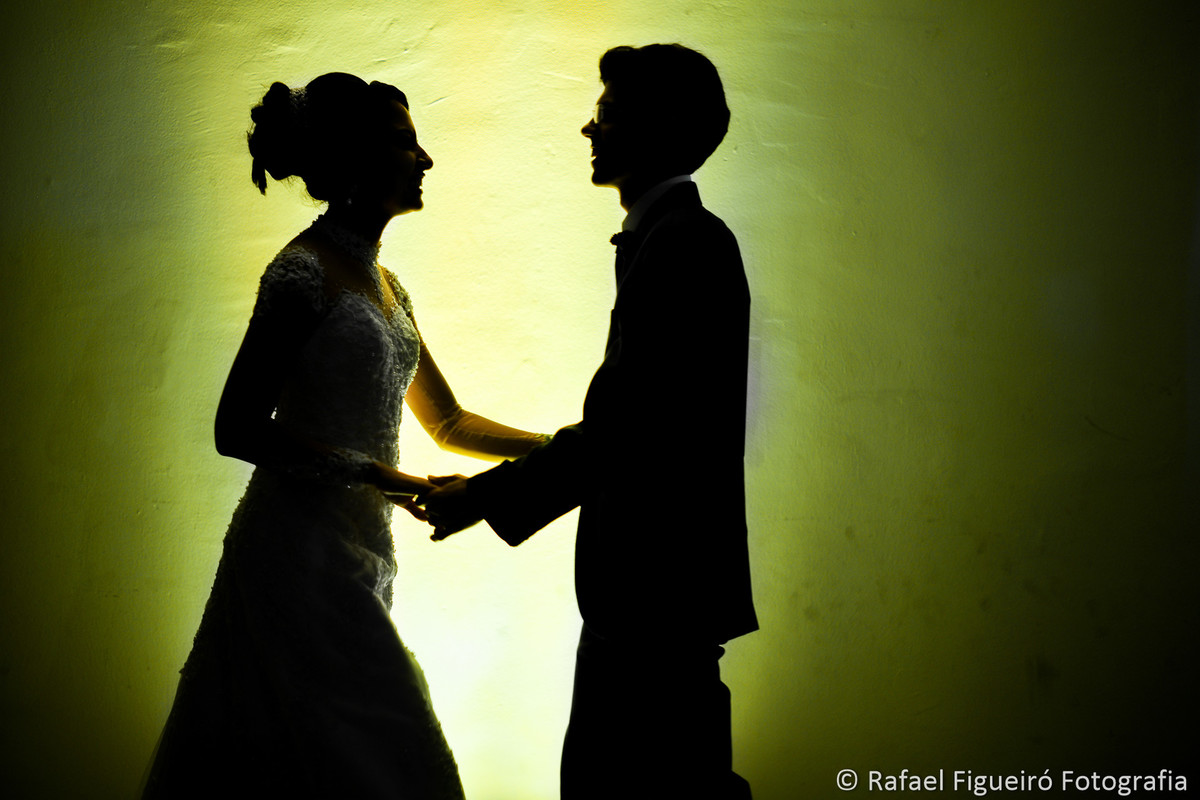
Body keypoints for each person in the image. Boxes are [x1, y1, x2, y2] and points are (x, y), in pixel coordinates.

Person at [141, 72, 548, 800]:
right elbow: (235, 428)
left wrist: (561, 450)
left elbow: (449, 422)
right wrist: (379, 477)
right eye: (404, 141)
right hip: (293, 554)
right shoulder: (300, 273)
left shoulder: (391, 288)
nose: (424, 160)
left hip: (367, 554)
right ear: (355, 156)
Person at [420, 44, 757, 799]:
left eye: (605, 114)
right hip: (650, 600)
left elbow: (623, 430)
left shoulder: (684, 245)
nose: (587, 129)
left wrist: (481, 497)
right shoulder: (672, 240)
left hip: (654, 603)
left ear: (657, 127)